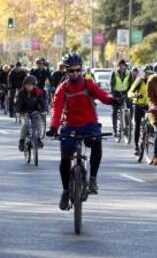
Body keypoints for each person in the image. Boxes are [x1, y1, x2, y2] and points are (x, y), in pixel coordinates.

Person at [45, 53, 118, 211]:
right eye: (71, 71)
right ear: (66, 72)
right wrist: (53, 127)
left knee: (96, 143)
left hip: (89, 124)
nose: (75, 73)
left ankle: (92, 178)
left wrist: (112, 100)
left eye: (77, 70)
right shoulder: (62, 89)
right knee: (65, 158)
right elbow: (56, 109)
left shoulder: (88, 84)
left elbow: (102, 95)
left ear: (81, 69)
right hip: (70, 126)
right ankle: (65, 191)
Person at [15, 76, 47, 151]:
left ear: (34, 85)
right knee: (26, 123)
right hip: (24, 111)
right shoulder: (21, 93)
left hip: (35, 111)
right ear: (24, 85)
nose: (29, 86)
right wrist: (17, 111)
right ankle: (22, 141)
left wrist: (44, 110)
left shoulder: (38, 92)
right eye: (27, 84)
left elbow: (43, 103)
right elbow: (18, 103)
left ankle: (38, 139)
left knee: (39, 123)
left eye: (31, 85)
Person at [128, 64, 153, 155]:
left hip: (149, 106)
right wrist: (135, 95)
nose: (149, 75)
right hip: (139, 105)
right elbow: (130, 92)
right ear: (144, 73)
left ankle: (148, 136)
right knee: (138, 125)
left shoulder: (154, 82)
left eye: (151, 73)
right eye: (147, 73)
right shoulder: (140, 81)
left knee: (153, 123)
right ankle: (136, 146)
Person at [110, 59, 133, 136]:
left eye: (123, 65)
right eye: (120, 65)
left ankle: (128, 124)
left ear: (125, 66)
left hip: (125, 93)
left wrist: (130, 93)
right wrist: (113, 95)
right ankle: (115, 130)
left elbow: (131, 84)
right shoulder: (115, 73)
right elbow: (112, 84)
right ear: (118, 66)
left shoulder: (129, 73)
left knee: (131, 107)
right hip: (116, 93)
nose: (122, 67)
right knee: (115, 111)